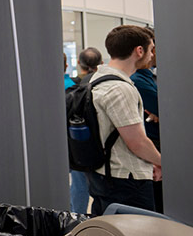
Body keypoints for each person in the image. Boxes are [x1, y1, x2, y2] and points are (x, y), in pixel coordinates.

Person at [87, 26, 161, 215]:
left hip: (102, 174)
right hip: (126, 181)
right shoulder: (121, 89)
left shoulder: (97, 80)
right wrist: (162, 162)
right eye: (151, 49)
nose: (152, 55)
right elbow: (137, 142)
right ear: (139, 51)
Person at [68, 47, 102, 213]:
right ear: (101, 63)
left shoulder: (72, 85)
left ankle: (76, 221)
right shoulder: (103, 83)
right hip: (102, 143)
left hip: (79, 141)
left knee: (79, 183)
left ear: (79, 63)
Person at [130, 28, 161, 212]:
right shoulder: (137, 80)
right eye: (153, 48)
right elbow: (165, 110)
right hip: (153, 147)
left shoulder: (150, 77)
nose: (154, 54)